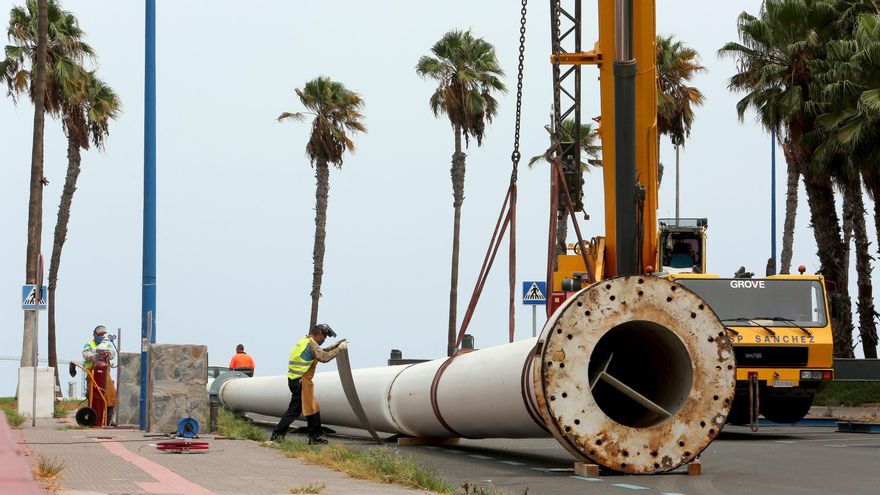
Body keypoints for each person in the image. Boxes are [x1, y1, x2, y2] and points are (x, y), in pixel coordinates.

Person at [269, 323, 347, 444]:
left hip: (296, 380)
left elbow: (319, 352)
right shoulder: (311, 344)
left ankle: (314, 438)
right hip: (302, 381)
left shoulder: (304, 341)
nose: (325, 339)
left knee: (312, 408)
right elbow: (323, 357)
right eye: (325, 336)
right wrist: (340, 349)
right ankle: (276, 437)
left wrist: (333, 346)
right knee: (294, 410)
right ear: (319, 333)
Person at [82, 325, 117, 421]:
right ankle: (92, 419)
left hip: (105, 375)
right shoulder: (89, 345)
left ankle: (108, 420)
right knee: (94, 397)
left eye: (103, 335)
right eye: (99, 335)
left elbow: (113, 354)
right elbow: (86, 355)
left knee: (111, 396)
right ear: (94, 335)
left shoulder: (107, 344)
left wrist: (108, 354)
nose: (101, 337)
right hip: (92, 374)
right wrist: (96, 355)